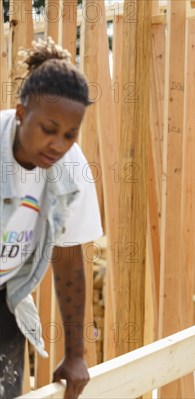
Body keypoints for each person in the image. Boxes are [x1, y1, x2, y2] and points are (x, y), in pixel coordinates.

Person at [0, 38, 102, 399]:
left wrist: (75, 355)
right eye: (49, 129)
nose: (58, 144)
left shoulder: (70, 172)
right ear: (22, 114)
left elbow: (69, 258)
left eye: (70, 135)